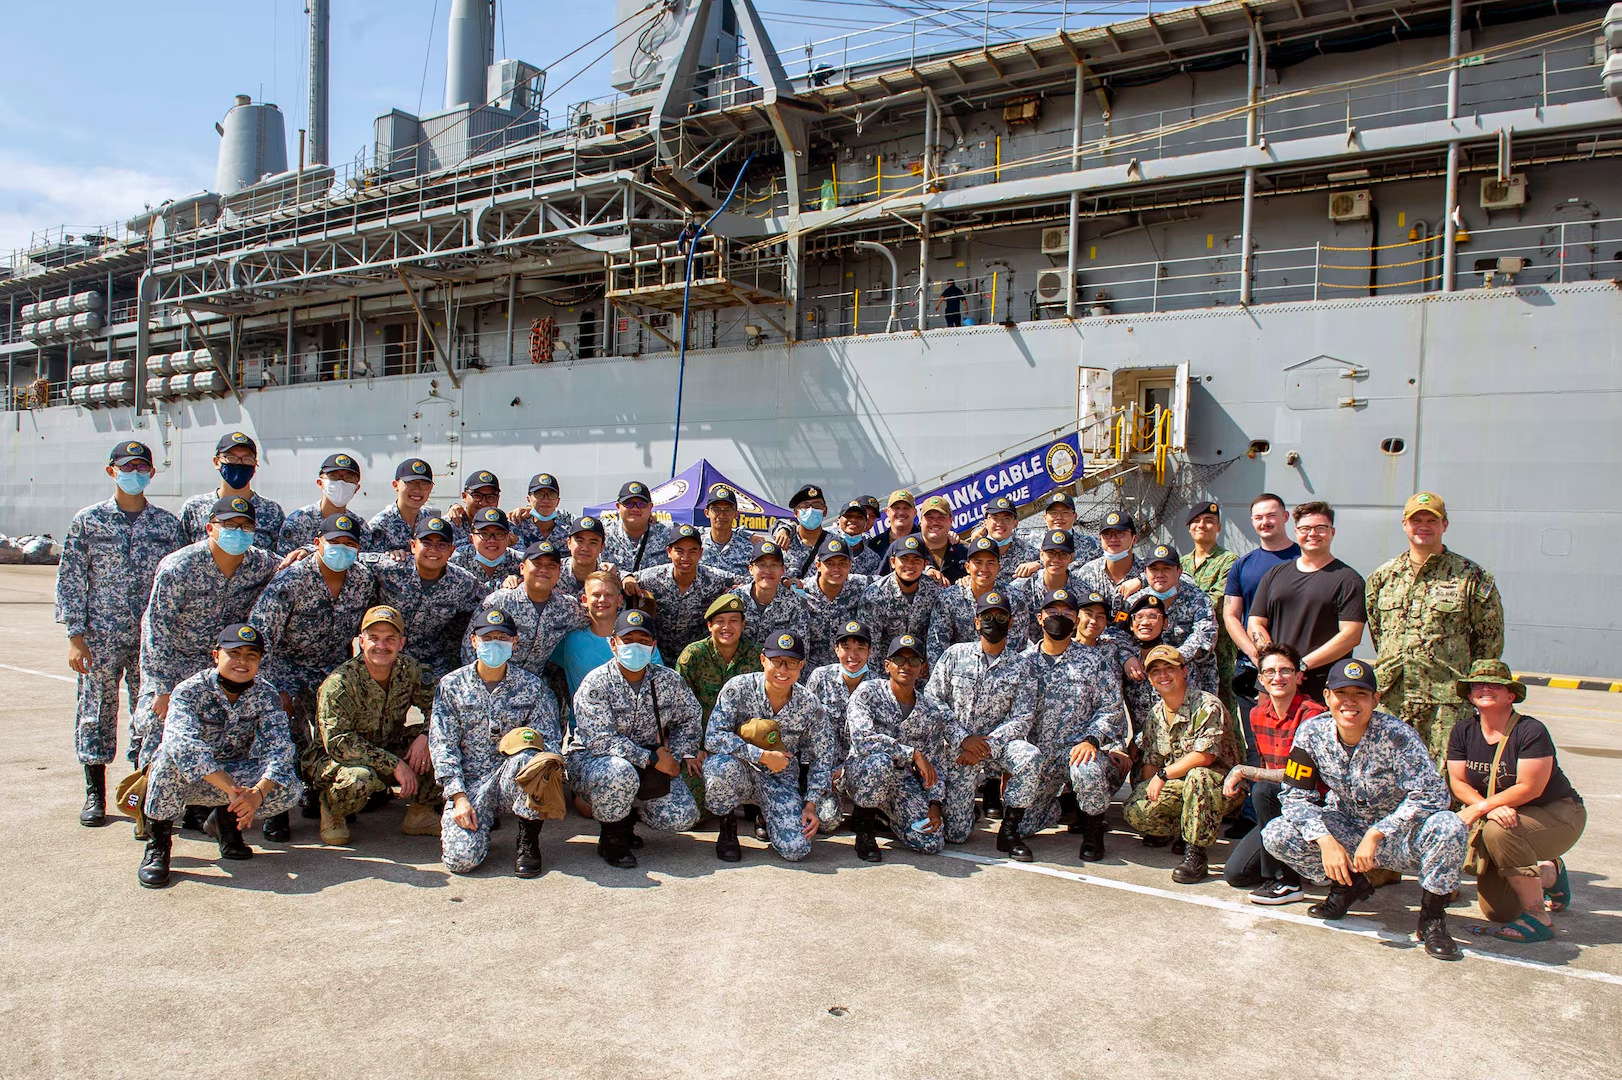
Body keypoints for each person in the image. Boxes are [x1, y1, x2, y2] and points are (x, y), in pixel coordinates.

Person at [1263, 657, 1468, 960]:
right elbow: (1294, 797)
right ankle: (1348, 885)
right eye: (1342, 693)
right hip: (1347, 829)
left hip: (1398, 837)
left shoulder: (1398, 736)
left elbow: (1433, 794)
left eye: (1360, 694)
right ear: (1327, 697)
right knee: (1277, 833)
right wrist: (1325, 840)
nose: (1350, 702)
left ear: (1376, 699)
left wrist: (1378, 832)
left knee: (1450, 826)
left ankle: (1433, 919)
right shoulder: (1311, 733)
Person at [55, 440, 185, 824]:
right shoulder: (88, 521)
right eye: (126, 468)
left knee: (149, 715)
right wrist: (75, 636)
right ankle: (95, 792)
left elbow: (176, 582)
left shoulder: (166, 525)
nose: (134, 474)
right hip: (100, 636)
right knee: (94, 711)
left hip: (150, 639)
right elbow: (72, 579)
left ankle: (140, 785)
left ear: (151, 473)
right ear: (111, 471)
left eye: (141, 468)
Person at [136, 624, 302, 888]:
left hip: (234, 779)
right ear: (216, 656)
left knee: (289, 788)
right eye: (234, 653)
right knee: (168, 758)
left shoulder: (267, 694)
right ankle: (158, 847)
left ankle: (226, 826)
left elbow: (280, 748)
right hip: (189, 780)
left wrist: (257, 793)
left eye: (251, 655)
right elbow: (184, 746)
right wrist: (233, 790)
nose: (242, 661)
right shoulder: (189, 691)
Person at [249, 511, 378, 840]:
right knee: (284, 737)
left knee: (330, 737)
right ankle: (277, 810)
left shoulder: (362, 580)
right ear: (318, 543)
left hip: (330, 668)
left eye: (350, 544)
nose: (342, 550)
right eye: (335, 542)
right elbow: (261, 635)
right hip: (286, 667)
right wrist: (269, 689)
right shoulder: (291, 580)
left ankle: (323, 796)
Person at [131, 497, 280, 773]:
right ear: (210, 528)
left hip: (226, 664)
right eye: (230, 524)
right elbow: (156, 629)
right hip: (177, 664)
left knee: (231, 731)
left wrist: (306, 550)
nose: (238, 531)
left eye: (246, 526)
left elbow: (299, 563)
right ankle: (149, 798)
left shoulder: (262, 564)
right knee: (159, 727)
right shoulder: (179, 566)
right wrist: (161, 688)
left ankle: (208, 805)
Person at [1446, 661, 1584, 943]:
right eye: (1478, 685)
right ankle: (1550, 873)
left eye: (1495, 684)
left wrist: (1484, 808)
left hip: (1557, 814)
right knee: (1499, 911)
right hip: (1505, 816)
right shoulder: (1462, 731)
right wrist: (1491, 808)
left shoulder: (1530, 731)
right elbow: (1458, 782)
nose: (1485, 688)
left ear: (1511, 695)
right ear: (1470, 695)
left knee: (1499, 830)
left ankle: (1537, 917)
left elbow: (1530, 787)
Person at [1366, 492, 1505, 765]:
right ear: (1405, 524)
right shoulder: (1383, 577)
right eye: (1416, 520)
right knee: (1389, 774)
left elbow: (1489, 643)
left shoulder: (1471, 577)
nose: (1424, 526)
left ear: (1445, 525)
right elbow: (1379, 633)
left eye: (1433, 519)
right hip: (1394, 698)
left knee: (1446, 782)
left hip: (1446, 702)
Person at [431, 607, 562, 878]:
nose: (494, 644)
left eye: (502, 638)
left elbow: (550, 741)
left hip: (511, 778)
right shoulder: (451, 686)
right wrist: (458, 797)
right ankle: (481, 823)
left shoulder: (532, 687)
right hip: (470, 784)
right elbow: (443, 745)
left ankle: (528, 840)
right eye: (487, 637)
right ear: (473, 641)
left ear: (514, 643)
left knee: (534, 759)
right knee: (461, 861)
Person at [569, 609, 703, 867]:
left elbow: (690, 717)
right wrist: (651, 758)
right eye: (627, 640)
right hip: (594, 762)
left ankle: (626, 818)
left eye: (643, 641)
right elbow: (600, 742)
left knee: (682, 816)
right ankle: (612, 839)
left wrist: (674, 756)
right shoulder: (596, 683)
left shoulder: (667, 680)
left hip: (647, 762)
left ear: (653, 646)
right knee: (620, 772)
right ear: (613, 643)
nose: (635, 647)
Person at [304, 605, 441, 845]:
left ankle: (420, 813)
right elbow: (339, 743)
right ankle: (332, 809)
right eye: (374, 638)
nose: (381, 646)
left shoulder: (409, 670)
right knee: (359, 778)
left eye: (390, 639)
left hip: (387, 742)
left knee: (441, 747)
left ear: (401, 643)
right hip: (338, 759)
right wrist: (395, 764)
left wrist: (426, 736)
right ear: (360, 641)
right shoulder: (340, 683)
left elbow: (442, 706)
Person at [704, 631, 838, 862]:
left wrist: (811, 804)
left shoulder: (809, 705)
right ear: (763, 659)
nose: (783, 670)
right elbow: (714, 737)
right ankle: (727, 827)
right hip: (741, 771)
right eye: (776, 662)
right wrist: (762, 755)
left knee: (796, 849)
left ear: (802, 665)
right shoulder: (738, 688)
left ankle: (766, 816)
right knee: (719, 767)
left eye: (791, 663)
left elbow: (822, 756)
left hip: (779, 778)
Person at [926, 591, 1040, 861]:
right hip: (959, 752)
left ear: (1011, 623)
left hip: (997, 748)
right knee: (956, 834)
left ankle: (1010, 831)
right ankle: (963, 809)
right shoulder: (955, 655)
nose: (993, 621)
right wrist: (963, 739)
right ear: (976, 622)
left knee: (1029, 757)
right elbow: (932, 700)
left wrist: (983, 747)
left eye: (1001, 617)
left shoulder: (1022, 666)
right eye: (986, 616)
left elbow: (1022, 717)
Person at [1122, 645, 1244, 884]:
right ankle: (1180, 830)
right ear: (1150, 678)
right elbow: (1152, 759)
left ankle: (1195, 854)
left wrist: (1162, 775)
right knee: (1135, 810)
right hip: (1182, 786)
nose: (1163, 675)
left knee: (1199, 775)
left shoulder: (1207, 705)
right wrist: (1146, 793)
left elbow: (1204, 756)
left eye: (1169, 669)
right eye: (1156, 671)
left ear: (1184, 671)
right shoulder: (1155, 714)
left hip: (1222, 787)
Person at [1022, 589, 1128, 861]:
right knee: (1024, 826)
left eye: (1067, 612)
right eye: (1052, 612)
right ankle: (1059, 805)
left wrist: (1091, 739)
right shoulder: (1022, 662)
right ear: (1040, 618)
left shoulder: (1094, 661)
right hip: (1041, 761)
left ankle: (1093, 833)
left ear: (1075, 618)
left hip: (1078, 753)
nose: (1059, 617)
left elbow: (1111, 708)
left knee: (1086, 769)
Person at [1221, 643, 1326, 903]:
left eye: (1285, 671)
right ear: (1261, 679)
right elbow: (1268, 768)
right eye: (1269, 672)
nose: (1277, 678)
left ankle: (1285, 881)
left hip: (1316, 807)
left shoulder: (1314, 716)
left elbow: (1301, 776)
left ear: (1299, 676)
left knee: (1265, 789)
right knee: (1237, 874)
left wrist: (1244, 771)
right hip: (1283, 807)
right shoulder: (1257, 714)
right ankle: (1303, 862)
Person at [844, 635, 951, 862]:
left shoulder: (930, 711)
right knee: (880, 763)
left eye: (913, 661)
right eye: (899, 660)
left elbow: (936, 763)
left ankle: (888, 815)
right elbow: (863, 740)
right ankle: (865, 831)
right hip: (862, 772)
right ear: (887, 665)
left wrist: (934, 803)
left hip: (900, 780)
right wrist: (911, 753)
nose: (906, 666)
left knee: (931, 841)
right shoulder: (867, 693)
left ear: (922, 668)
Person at [1247, 501, 1366, 701]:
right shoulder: (1275, 574)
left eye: (1321, 528)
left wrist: (1300, 666)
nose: (1312, 534)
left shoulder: (1348, 580)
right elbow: (1256, 622)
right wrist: (1275, 664)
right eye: (1305, 528)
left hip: (1320, 687)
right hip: (1274, 685)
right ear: (1296, 532)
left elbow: (1351, 635)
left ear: (1332, 532)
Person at [367, 514, 485, 680]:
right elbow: (349, 560)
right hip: (384, 652)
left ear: (451, 551)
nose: (433, 549)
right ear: (413, 545)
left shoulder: (463, 582)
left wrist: (513, 580)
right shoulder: (389, 568)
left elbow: (489, 602)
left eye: (441, 544)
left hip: (431, 661)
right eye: (426, 543)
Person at [1222, 493, 1299, 719]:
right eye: (1259, 517)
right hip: (1252, 667)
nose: (1265, 522)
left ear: (1286, 517)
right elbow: (1231, 615)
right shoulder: (1242, 566)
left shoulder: (1303, 560)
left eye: (1271, 516)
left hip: (1297, 668)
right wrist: (1256, 655)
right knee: (1258, 743)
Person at [624, 523, 743, 662]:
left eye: (692, 551)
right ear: (669, 552)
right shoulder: (652, 577)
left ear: (701, 553)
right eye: (679, 551)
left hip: (697, 660)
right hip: (656, 657)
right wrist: (626, 577)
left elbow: (748, 581)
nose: (685, 558)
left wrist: (736, 591)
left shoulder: (715, 578)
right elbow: (619, 577)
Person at [472, 540, 590, 680]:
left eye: (551, 565)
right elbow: (471, 648)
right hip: (493, 683)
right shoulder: (498, 602)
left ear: (559, 572)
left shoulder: (568, 607)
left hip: (533, 689)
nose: (544, 570)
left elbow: (597, 620)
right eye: (537, 564)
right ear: (522, 568)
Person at [1119, 543, 1217, 696]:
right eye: (1154, 569)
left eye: (1166, 569)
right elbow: (1114, 633)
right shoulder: (1133, 602)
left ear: (1179, 571)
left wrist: (1170, 659)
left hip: (1189, 685)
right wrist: (1127, 657)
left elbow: (1206, 636)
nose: (1160, 574)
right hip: (1143, 685)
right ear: (1145, 572)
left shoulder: (1198, 599)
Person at [554, 569, 665, 698]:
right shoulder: (570, 640)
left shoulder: (638, 641)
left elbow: (659, 681)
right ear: (584, 599)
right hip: (585, 717)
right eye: (596, 595)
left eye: (609, 595)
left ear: (619, 600)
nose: (602, 600)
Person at [178, 431, 285, 550]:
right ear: (217, 462)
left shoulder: (272, 511)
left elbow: (281, 559)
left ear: (255, 464)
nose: (239, 463)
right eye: (231, 458)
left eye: (246, 459)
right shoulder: (194, 507)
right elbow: (179, 552)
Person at [1182, 501, 1239, 717]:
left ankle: (1232, 751)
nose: (1202, 525)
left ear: (1219, 528)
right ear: (1189, 527)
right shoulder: (1180, 563)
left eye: (1209, 521)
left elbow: (1216, 600)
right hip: (1186, 644)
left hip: (1219, 646)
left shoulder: (1229, 561)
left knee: (1223, 702)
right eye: (1196, 521)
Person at [928, 537, 1025, 663]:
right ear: (967, 567)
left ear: (998, 568)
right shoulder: (949, 599)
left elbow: (1017, 646)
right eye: (978, 562)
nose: (984, 568)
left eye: (990, 563)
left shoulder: (1014, 599)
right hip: (959, 672)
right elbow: (937, 647)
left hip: (1003, 673)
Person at [805, 619, 876, 770]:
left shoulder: (878, 687)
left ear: (870, 651)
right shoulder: (820, 677)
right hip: (822, 766)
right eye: (846, 648)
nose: (853, 655)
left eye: (860, 648)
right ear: (836, 649)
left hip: (859, 767)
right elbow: (805, 723)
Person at [1071, 510, 1146, 645]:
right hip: (1096, 650)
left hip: (1138, 647)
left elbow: (1177, 578)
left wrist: (1143, 580)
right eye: (1107, 534)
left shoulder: (1147, 570)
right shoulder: (1088, 573)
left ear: (1134, 538)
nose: (1113, 539)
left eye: (1120, 533)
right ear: (1100, 538)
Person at [858, 535, 941, 654]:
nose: (910, 565)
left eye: (916, 559)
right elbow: (869, 646)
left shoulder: (934, 592)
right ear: (892, 562)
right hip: (886, 666)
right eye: (904, 559)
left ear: (925, 564)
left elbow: (937, 639)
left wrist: (926, 665)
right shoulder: (875, 596)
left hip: (921, 663)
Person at [798, 538, 871, 670]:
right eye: (830, 564)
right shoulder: (802, 591)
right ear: (818, 565)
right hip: (810, 671)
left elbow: (889, 582)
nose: (836, 569)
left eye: (842, 564)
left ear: (850, 565)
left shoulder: (861, 585)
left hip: (849, 669)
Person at [276, 452, 364, 555]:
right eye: (333, 477)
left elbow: (364, 562)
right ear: (320, 483)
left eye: (348, 478)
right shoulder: (297, 521)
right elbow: (284, 563)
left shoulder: (360, 526)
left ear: (356, 488)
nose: (341, 483)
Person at [726, 539, 810, 645]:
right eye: (761, 565)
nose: (768, 571)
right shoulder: (734, 598)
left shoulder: (796, 602)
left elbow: (800, 647)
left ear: (783, 570)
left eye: (774, 565)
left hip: (779, 661)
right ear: (751, 569)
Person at [1010, 529, 1081, 646]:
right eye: (1051, 553)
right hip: (1026, 656)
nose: (1056, 559)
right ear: (1041, 555)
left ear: (1072, 558)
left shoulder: (1082, 591)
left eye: (1063, 554)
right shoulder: (1020, 588)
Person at [1014, 492, 1103, 571]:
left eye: (1065, 513)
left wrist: (1040, 565)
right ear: (1045, 517)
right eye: (1053, 513)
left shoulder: (1093, 545)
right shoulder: (1028, 541)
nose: (1059, 517)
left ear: (1075, 517)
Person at [366, 458, 438, 553]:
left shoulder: (427, 518)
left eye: (424, 484)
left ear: (431, 488)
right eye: (410, 483)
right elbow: (368, 561)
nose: (417, 490)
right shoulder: (381, 525)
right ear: (395, 485)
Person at [602, 480, 673, 571]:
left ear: (650, 507)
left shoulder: (668, 532)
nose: (635, 509)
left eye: (641, 504)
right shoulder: (604, 532)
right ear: (618, 507)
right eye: (628, 504)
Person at [450, 506, 523, 587]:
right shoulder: (456, 561)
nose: (492, 540)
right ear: (471, 538)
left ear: (508, 537)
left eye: (499, 534)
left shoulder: (522, 563)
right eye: (484, 534)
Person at [698, 486, 759, 576]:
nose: (722, 515)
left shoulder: (749, 549)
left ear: (736, 514)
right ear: (707, 513)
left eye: (728, 510)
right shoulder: (696, 546)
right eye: (716, 510)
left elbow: (756, 579)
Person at [979, 497, 1040, 586]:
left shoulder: (1029, 552)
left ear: (1015, 524)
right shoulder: (973, 552)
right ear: (985, 523)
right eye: (995, 518)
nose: (1000, 523)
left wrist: (1039, 564)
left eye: (1006, 519)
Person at [507, 472, 575, 547]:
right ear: (529, 499)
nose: (546, 500)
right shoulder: (516, 525)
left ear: (558, 501)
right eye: (539, 494)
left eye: (551, 495)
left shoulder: (568, 523)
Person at [779, 484, 832, 577]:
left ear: (825, 511)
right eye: (805, 506)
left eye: (817, 505)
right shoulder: (784, 541)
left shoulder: (835, 542)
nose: (811, 510)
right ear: (796, 512)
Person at [916, 495, 969, 584]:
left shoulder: (965, 552)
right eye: (929, 517)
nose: (935, 522)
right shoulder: (907, 550)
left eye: (941, 518)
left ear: (951, 520)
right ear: (920, 520)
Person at [862, 490, 918, 570]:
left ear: (915, 512)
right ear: (887, 512)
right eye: (896, 508)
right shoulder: (874, 544)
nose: (901, 512)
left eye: (906, 508)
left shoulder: (924, 540)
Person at [443, 469, 502, 544]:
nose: (483, 503)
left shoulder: (507, 528)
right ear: (464, 496)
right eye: (477, 496)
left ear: (498, 499)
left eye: (491, 497)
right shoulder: (449, 526)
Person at [559, 515, 613, 596]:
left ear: (602, 547)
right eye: (580, 541)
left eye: (593, 543)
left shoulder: (610, 578)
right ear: (569, 543)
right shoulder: (553, 570)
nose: (585, 548)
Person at [833, 499, 883, 577]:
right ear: (838, 521)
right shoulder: (824, 544)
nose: (853, 520)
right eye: (848, 516)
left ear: (865, 524)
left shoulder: (873, 558)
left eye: (859, 517)